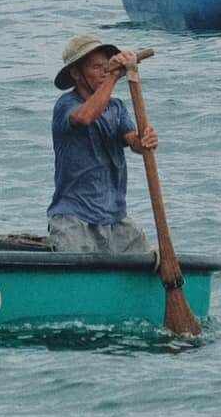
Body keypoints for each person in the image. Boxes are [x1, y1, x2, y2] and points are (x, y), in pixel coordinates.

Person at [47, 35, 157, 254]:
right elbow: (85, 117)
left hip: (115, 216)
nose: (104, 72)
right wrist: (114, 76)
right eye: (97, 67)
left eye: (107, 67)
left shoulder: (116, 107)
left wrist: (144, 141)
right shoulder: (66, 105)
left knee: (150, 260)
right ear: (76, 74)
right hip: (75, 218)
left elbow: (132, 141)